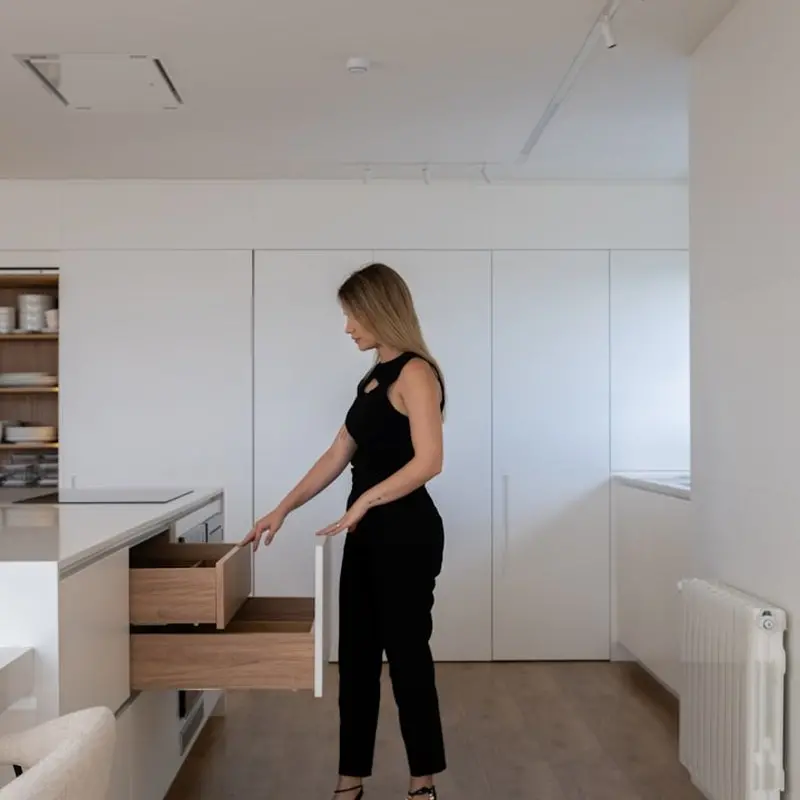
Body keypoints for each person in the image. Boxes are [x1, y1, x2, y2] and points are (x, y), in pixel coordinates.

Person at [242, 262, 447, 800]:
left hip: (406, 533)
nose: (348, 327)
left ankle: (422, 783)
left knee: (406, 656)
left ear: (380, 310)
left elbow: (429, 462)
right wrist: (281, 508)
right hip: (366, 534)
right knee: (355, 658)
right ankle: (348, 781)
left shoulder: (416, 374)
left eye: (353, 315)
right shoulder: (371, 379)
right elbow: (340, 451)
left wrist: (365, 503)